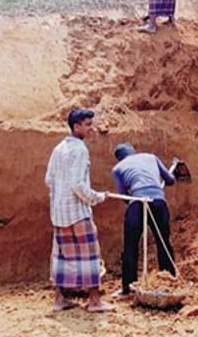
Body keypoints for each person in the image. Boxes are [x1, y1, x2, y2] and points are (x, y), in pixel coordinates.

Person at [44, 108, 115, 313]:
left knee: (62, 256)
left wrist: (60, 197)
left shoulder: (58, 149)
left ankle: (59, 299)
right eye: (87, 125)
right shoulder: (80, 150)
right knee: (89, 255)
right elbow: (77, 184)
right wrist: (96, 197)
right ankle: (94, 301)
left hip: (59, 213)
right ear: (77, 127)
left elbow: (49, 180)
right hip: (77, 212)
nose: (91, 129)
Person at [110, 143, 177, 298]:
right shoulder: (151, 157)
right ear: (134, 152)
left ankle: (128, 288)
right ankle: (170, 283)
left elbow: (123, 194)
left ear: (119, 158)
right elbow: (170, 179)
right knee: (163, 242)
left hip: (137, 202)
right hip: (159, 202)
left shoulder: (118, 168)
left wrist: (136, 202)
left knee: (131, 246)